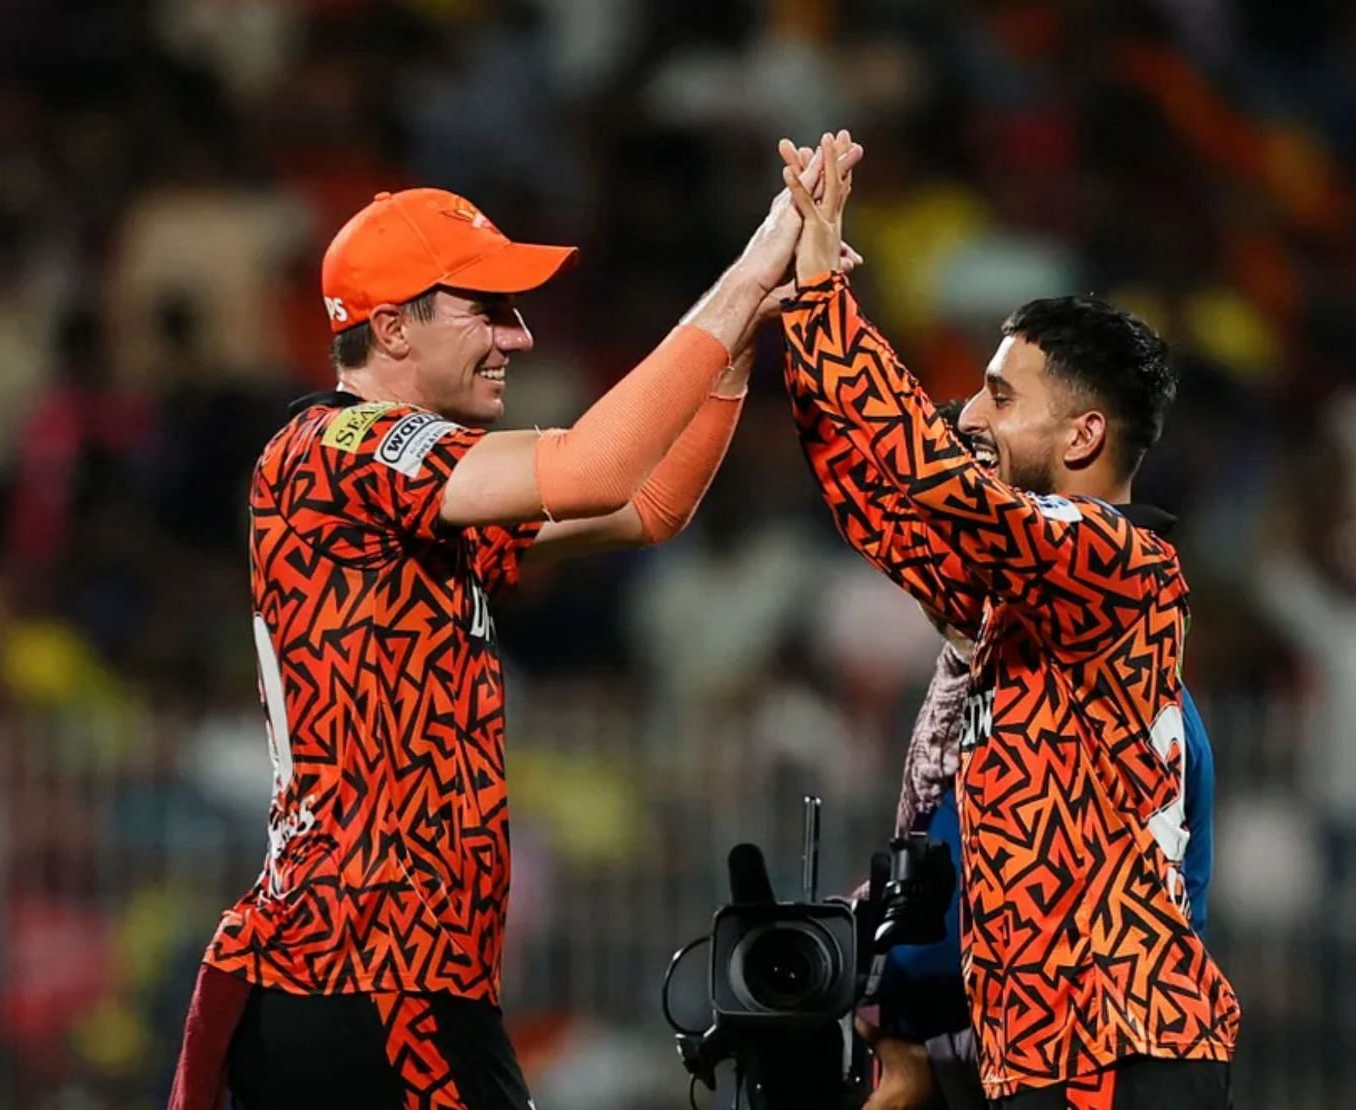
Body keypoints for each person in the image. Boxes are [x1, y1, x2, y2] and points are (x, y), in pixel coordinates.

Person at [169, 140, 863, 1110]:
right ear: (392, 330)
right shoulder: (340, 448)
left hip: (382, 974)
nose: (518, 336)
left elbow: (652, 504)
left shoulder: (411, 492)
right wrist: (748, 273)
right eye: (484, 309)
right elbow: (592, 469)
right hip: (373, 970)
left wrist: (745, 334)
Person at [778, 138, 1238, 1108]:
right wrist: (797, 306)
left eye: (998, 395)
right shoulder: (1012, 604)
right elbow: (877, 496)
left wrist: (827, 302)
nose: (968, 417)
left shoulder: (1121, 565)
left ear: (1083, 435)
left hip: (1122, 1043)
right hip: (1040, 1051)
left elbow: (936, 481)